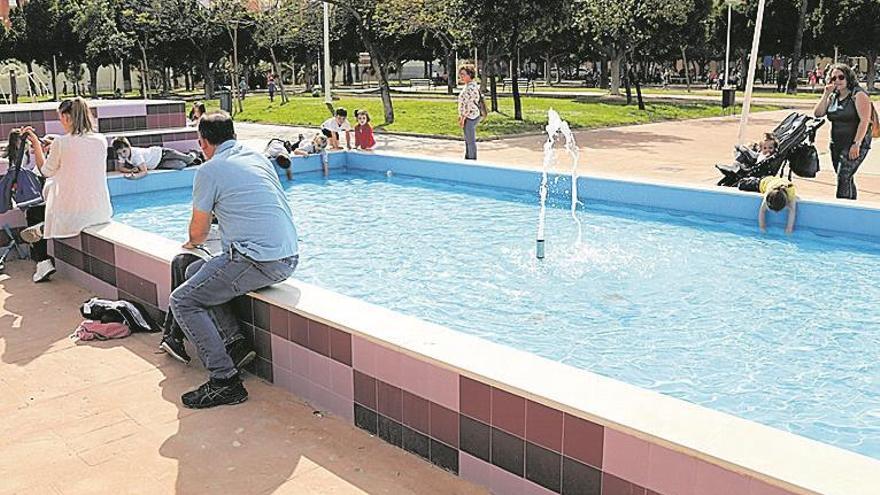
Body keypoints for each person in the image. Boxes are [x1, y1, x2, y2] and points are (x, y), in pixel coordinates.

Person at [170, 111, 298, 409]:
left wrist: (191, 239)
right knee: (194, 271)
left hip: (258, 260)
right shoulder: (258, 158)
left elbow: (198, 234)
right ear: (234, 136)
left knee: (183, 301)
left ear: (202, 142)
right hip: (287, 255)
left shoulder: (209, 170)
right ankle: (234, 344)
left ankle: (225, 380)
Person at [21, 98, 112, 244]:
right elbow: (79, 156)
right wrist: (56, 147)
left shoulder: (61, 143)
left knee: (32, 212)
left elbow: (46, 171)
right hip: (101, 212)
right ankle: (43, 229)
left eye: (60, 119)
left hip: (73, 214)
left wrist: (37, 145)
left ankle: (43, 262)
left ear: (66, 117)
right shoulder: (101, 140)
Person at [813, 63, 874, 199]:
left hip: (856, 142)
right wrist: (826, 94)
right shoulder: (833, 96)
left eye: (841, 77)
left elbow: (865, 121)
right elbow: (818, 113)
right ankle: (852, 207)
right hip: (837, 144)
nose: (837, 81)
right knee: (846, 178)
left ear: (848, 78)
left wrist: (856, 144)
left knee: (844, 175)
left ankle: (840, 209)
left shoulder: (858, 95)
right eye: (833, 78)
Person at [3, 130, 55, 282]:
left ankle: (42, 263)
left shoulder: (21, 160)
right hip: (45, 199)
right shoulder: (38, 157)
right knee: (37, 228)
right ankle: (42, 262)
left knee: (34, 229)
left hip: (33, 202)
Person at [110, 137, 201, 179]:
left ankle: (195, 154)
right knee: (180, 165)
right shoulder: (121, 155)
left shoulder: (136, 154)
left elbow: (144, 172)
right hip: (158, 164)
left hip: (162, 153)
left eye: (124, 151)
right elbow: (120, 168)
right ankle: (194, 162)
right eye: (120, 153)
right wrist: (131, 170)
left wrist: (136, 176)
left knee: (188, 159)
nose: (123, 155)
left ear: (129, 147)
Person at [457, 64, 481, 160]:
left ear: (469, 74)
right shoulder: (469, 86)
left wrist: (463, 118)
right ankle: (468, 158)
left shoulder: (470, 87)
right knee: (468, 140)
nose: (461, 76)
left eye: (463, 74)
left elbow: (468, 105)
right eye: (460, 74)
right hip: (469, 116)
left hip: (470, 116)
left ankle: (472, 160)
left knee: (470, 141)